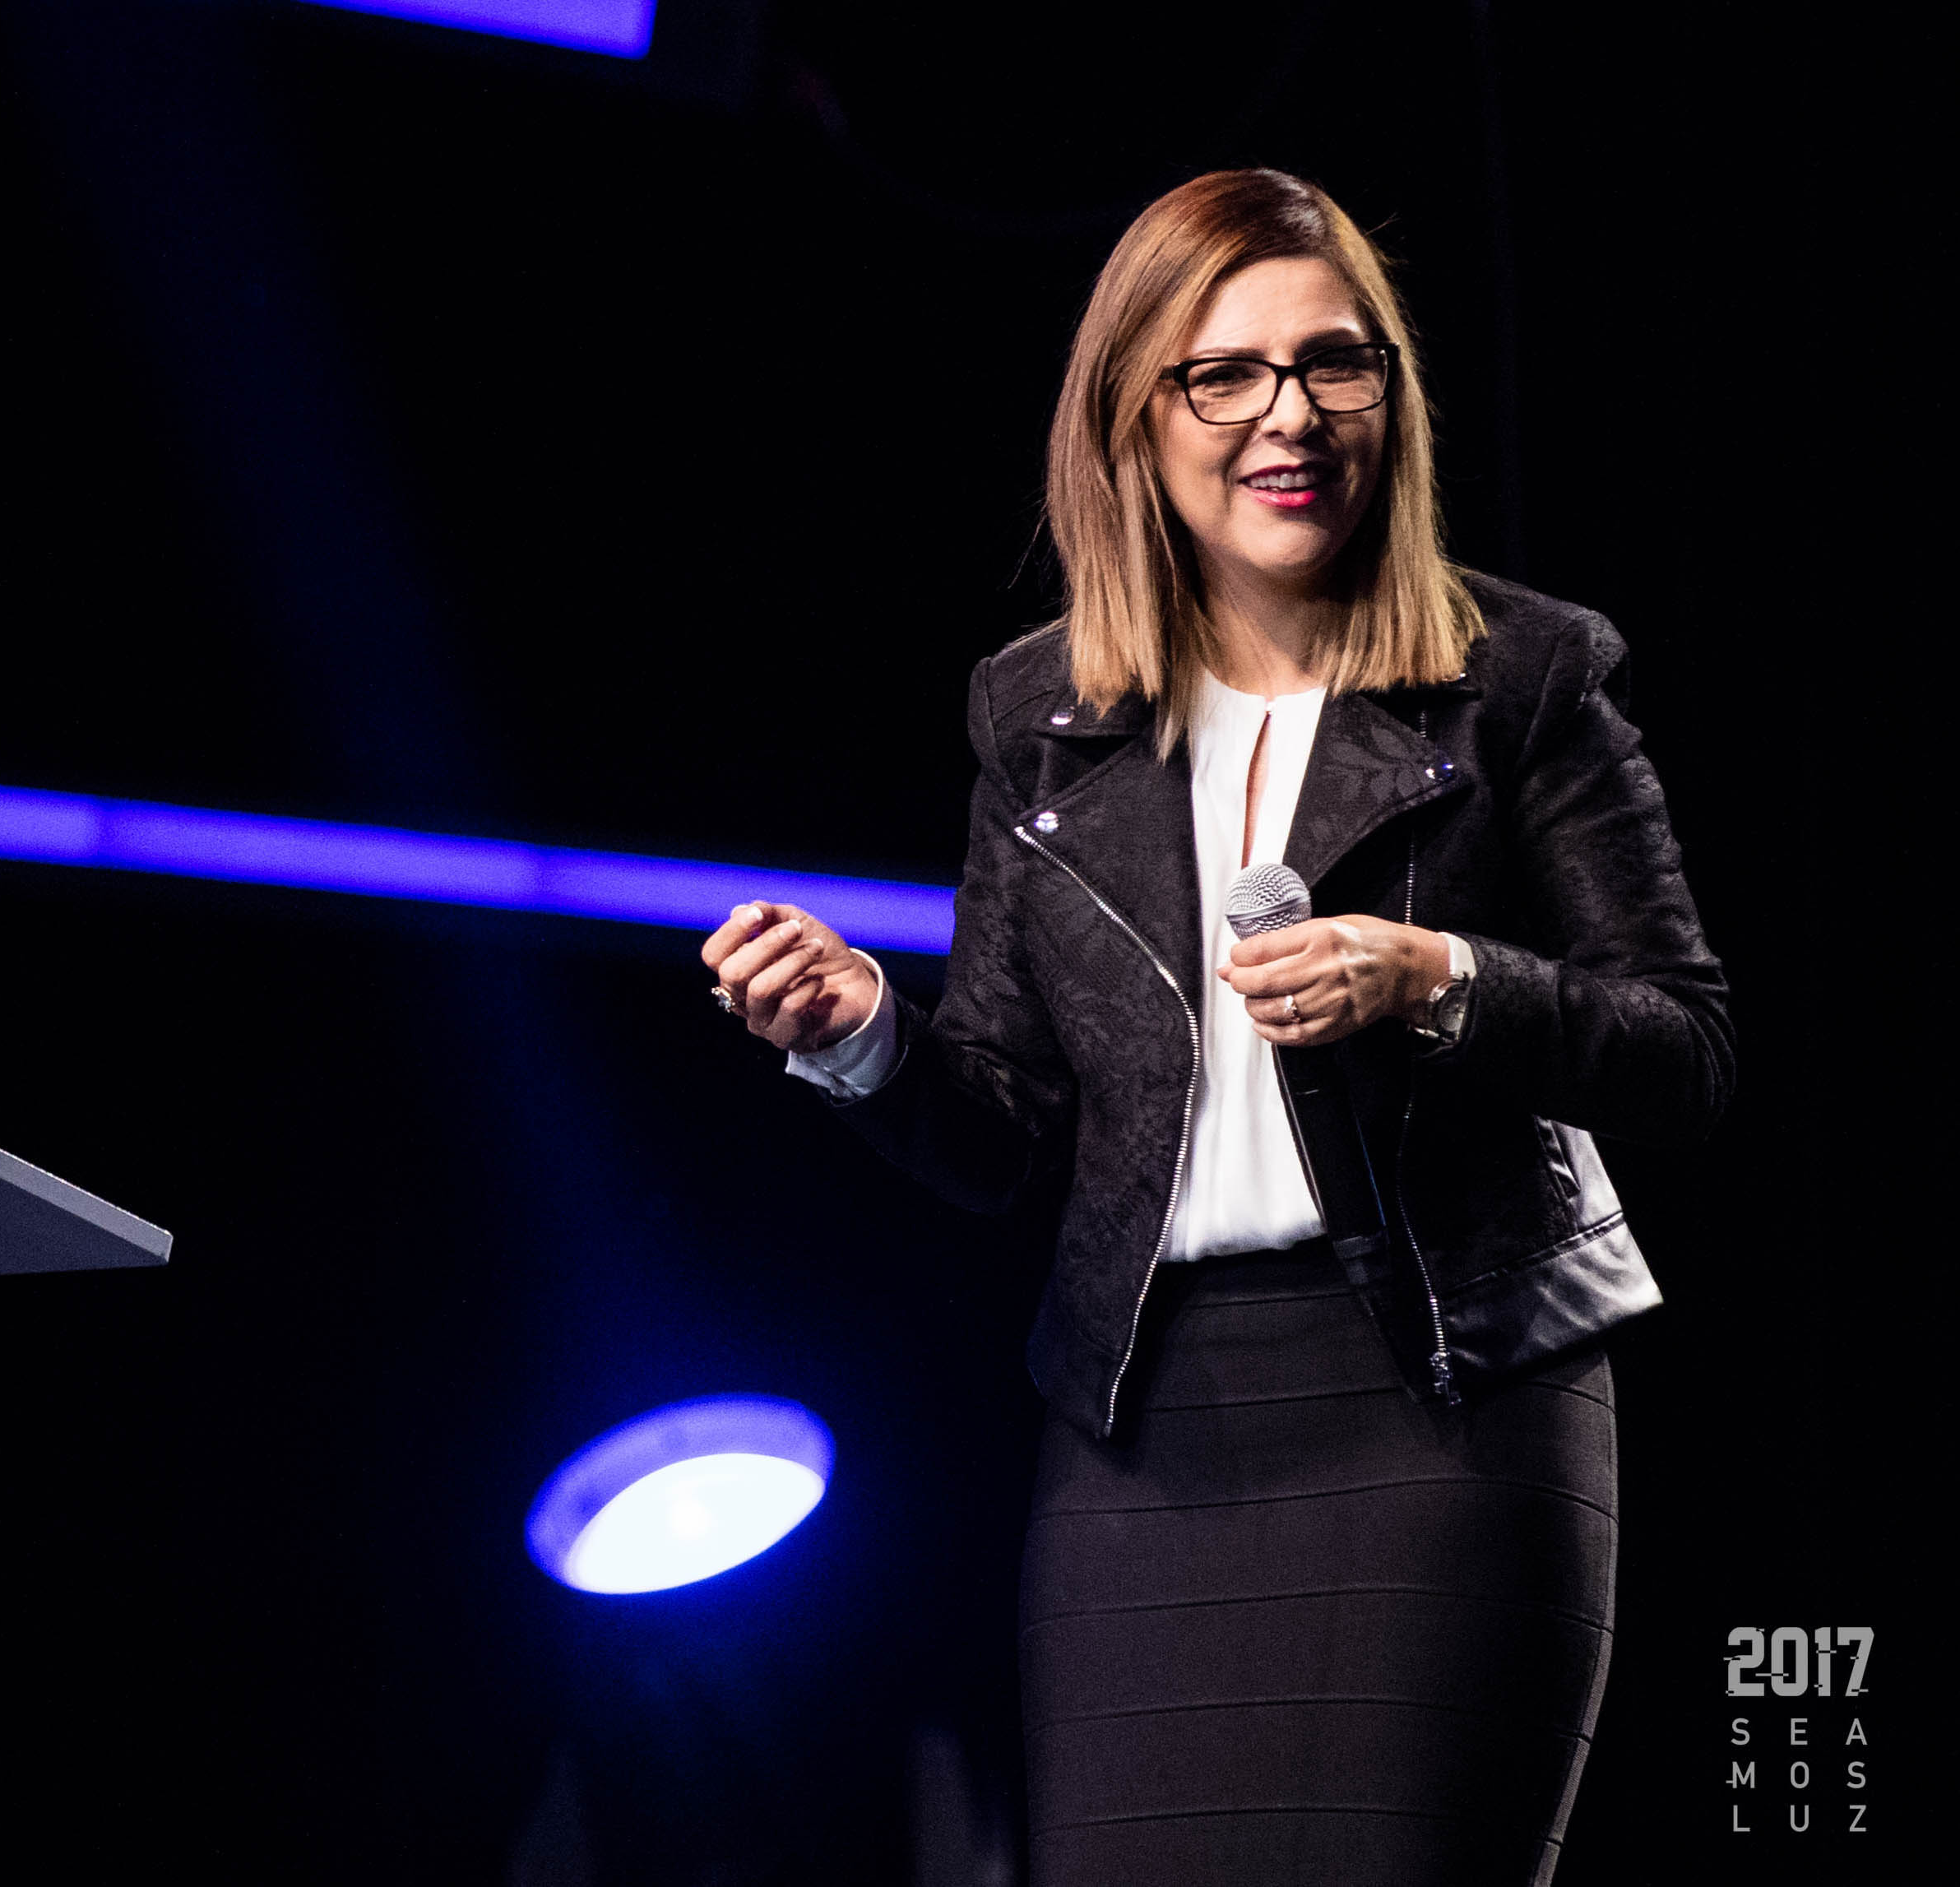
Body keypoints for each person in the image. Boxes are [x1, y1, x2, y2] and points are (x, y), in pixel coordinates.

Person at [700, 169, 1730, 1885]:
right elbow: (1004, 1129)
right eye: (1222, 374)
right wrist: (865, 1026)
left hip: (1451, 1406)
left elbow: (1682, 1050)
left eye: (1334, 366)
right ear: (1130, 418)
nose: (1288, 417)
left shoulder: (1524, 676)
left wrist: (1439, 981)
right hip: (1142, 1441)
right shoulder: (1035, 718)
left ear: (1385, 397)